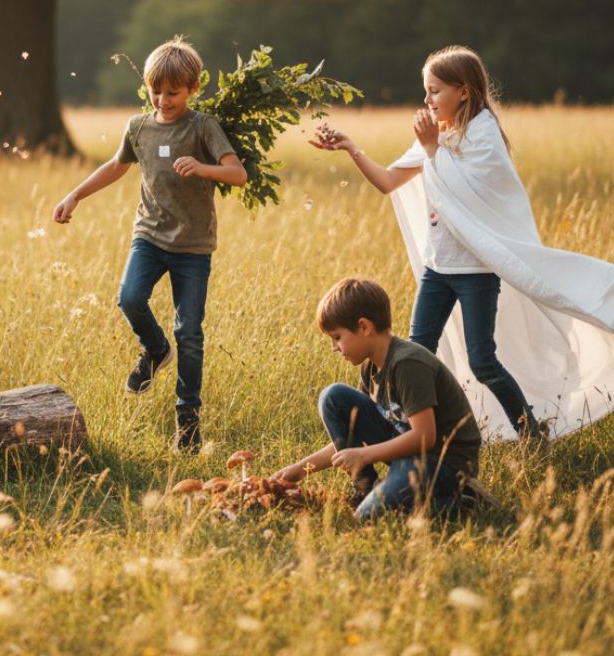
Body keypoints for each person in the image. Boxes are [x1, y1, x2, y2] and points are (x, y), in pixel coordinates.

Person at [312, 44, 614, 439]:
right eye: (426, 91)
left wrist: (432, 149)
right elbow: (388, 181)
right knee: (416, 351)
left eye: (435, 91)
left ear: (464, 91)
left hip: (476, 273)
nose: (427, 100)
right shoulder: (438, 134)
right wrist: (352, 148)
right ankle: (408, 429)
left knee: (482, 361)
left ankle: (530, 433)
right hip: (438, 269)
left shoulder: (483, 135)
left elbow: (468, 195)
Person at [53, 37, 247, 451]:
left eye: (172, 92)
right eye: (155, 91)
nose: (162, 99)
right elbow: (116, 166)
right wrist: (75, 195)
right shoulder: (138, 127)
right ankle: (156, 351)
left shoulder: (203, 126)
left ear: (193, 88)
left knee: (189, 331)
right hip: (149, 236)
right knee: (129, 299)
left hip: (193, 246)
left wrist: (203, 167)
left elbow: (238, 174)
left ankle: (188, 419)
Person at [273, 277, 481, 520]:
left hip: (442, 463)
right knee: (333, 397)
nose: (334, 347)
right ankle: (366, 489)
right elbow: (354, 434)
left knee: (367, 515)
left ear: (364, 327)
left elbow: (425, 437)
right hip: (407, 455)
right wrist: (299, 470)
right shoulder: (370, 367)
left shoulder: (407, 364)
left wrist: (363, 455)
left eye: (337, 337)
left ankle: (459, 500)